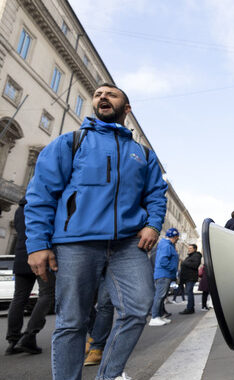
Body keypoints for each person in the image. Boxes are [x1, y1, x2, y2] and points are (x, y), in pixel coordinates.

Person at [24, 83, 168, 380]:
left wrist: (153, 225)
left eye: (111, 95)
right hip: (77, 243)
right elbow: (41, 194)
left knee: (139, 308)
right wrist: (37, 243)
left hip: (128, 244)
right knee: (71, 321)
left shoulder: (142, 154)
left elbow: (156, 195)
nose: (103, 97)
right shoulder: (70, 142)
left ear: (126, 109)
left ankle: (109, 375)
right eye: (98, 94)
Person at [5, 197, 55, 355]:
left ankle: (13, 340)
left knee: (19, 297)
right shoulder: (42, 205)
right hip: (40, 254)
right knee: (47, 294)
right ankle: (29, 336)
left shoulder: (19, 210)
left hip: (21, 256)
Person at [149, 228, 179, 326]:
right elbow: (163, 261)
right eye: (177, 237)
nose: (178, 239)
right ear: (175, 236)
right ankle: (154, 317)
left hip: (165, 274)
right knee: (159, 296)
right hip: (164, 274)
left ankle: (159, 316)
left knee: (161, 296)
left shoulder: (166, 245)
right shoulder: (166, 245)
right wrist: (173, 268)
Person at [178, 243, 201, 314]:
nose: (189, 249)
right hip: (187, 278)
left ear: (194, 249)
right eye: (188, 248)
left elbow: (195, 265)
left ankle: (190, 308)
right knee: (189, 292)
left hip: (191, 278)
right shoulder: (190, 256)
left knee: (189, 292)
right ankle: (190, 308)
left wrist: (184, 263)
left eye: (190, 248)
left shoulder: (196, 256)